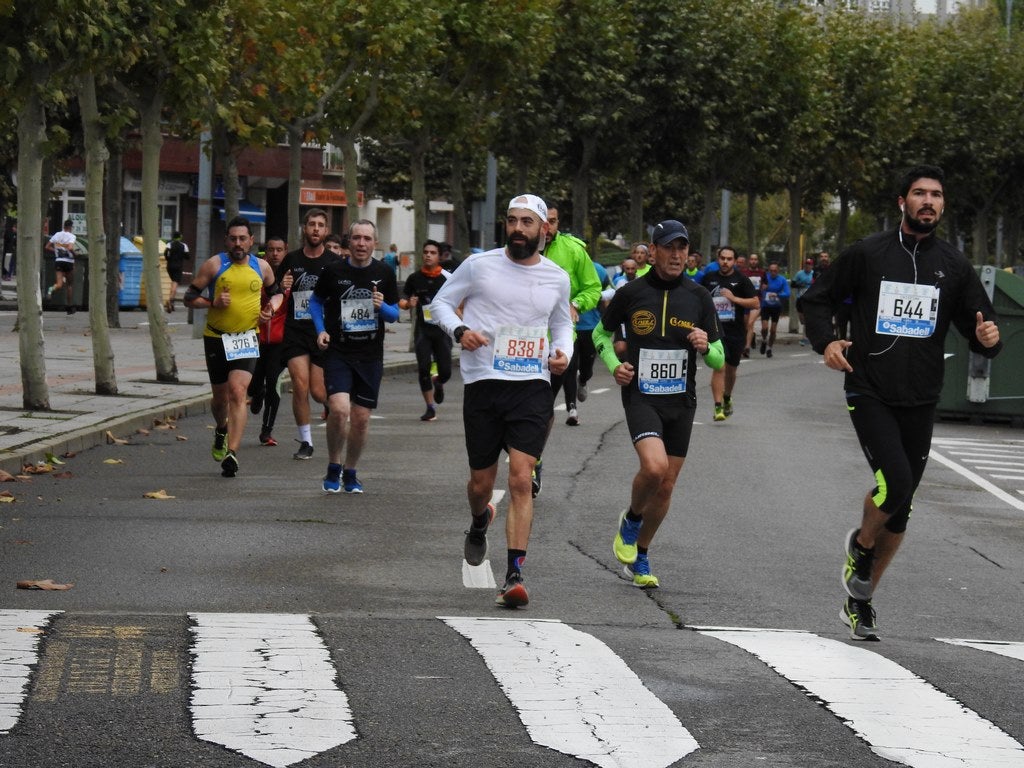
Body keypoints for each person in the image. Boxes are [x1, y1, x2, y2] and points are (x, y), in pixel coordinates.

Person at [801, 164, 1002, 642]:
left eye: (935, 194)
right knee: (895, 483)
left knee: (903, 504)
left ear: (943, 205)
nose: (928, 201)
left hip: (921, 395)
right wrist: (826, 342)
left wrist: (989, 340)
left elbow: (982, 328)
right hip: (868, 387)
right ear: (902, 202)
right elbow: (816, 299)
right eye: (919, 193)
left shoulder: (954, 266)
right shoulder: (868, 253)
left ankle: (861, 599)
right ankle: (862, 548)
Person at [430, 194, 573, 608]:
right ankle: (479, 522)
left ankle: (514, 574)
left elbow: (562, 324)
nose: (518, 229)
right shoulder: (479, 266)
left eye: (527, 222)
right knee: (481, 483)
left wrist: (563, 353)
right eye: (512, 221)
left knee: (520, 476)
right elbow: (440, 302)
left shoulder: (556, 277)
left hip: (531, 381)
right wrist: (459, 331)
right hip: (484, 381)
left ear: (544, 229)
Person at [594, 219, 724, 588]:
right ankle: (632, 520)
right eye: (669, 247)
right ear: (653, 252)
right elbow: (602, 335)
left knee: (666, 486)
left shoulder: (698, 296)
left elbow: (718, 357)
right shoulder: (631, 293)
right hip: (641, 396)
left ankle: (642, 554)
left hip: (681, 401)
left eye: (682, 248)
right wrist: (614, 366)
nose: (677, 254)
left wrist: (705, 346)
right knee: (654, 468)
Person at [183, 217, 283, 477]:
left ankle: (232, 453)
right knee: (219, 399)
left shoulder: (261, 267)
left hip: (247, 338)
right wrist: (212, 302)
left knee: (238, 392)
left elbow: (277, 292)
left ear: (251, 241)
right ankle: (221, 429)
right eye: (233, 238)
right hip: (216, 337)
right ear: (227, 240)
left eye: (243, 239)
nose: (238, 243)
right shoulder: (215, 265)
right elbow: (189, 298)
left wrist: (270, 309)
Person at [310, 219, 399, 494]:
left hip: (370, 355)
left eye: (367, 239)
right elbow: (315, 301)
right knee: (339, 409)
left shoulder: (384, 271)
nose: (361, 244)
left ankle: (351, 471)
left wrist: (381, 306)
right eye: (357, 238)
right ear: (349, 242)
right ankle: (333, 465)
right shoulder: (334, 271)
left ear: (375, 243)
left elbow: (395, 315)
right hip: (339, 351)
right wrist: (321, 330)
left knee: (360, 419)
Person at [276, 208, 340, 460]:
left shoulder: (334, 262)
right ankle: (306, 442)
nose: (315, 228)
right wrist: (282, 288)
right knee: (300, 385)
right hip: (295, 331)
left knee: (318, 391)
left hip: (322, 333)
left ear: (326, 231)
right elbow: (278, 294)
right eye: (311, 224)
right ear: (305, 228)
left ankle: (332, 407)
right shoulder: (291, 260)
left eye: (320, 225)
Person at [540, 204, 601, 432]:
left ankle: (533, 457)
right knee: (522, 405)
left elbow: (593, 288)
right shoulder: (516, 248)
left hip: (559, 338)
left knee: (545, 404)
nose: (546, 227)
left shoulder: (573, 250)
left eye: (552, 221)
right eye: (541, 220)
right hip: (523, 338)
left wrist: (575, 304)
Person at [700, 246, 759, 421]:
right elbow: (699, 300)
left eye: (729, 259)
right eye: (722, 258)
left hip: (735, 331)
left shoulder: (741, 280)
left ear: (734, 261)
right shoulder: (709, 278)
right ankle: (718, 406)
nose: (725, 262)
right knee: (720, 366)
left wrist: (734, 299)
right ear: (718, 259)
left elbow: (755, 303)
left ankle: (727, 396)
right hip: (715, 330)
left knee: (731, 370)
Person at [399, 239, 452, 422]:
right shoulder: (415, 278)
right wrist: (408, 304)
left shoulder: (446, 278)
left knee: (445, 371)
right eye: (426, 252)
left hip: (443, 329)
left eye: (433, 252)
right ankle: (430, 407)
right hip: (423, 330)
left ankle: (439, 382)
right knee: (423, 369)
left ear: (439, 256)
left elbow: (458, 300)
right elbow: (403, 300)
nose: (428, 255)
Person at [248, 236, 290, 446]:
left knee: (273, 383)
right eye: (271, 249)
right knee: (253, 384)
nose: (275, 253)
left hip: (279, 341)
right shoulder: (257, 272)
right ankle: (257, 392)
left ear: (285, 251)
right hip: (256, 337)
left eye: (279, 249)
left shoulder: (292, 274)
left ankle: (267, 431)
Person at [575, 253, 611, 404]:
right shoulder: (562, 266)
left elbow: (611, 291)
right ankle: (572, 407)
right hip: (569, 325)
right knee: (569, 366)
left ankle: (583, 380)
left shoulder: (598, 269)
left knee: (587, 368)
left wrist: (595, 296)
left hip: (590, 325)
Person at [757, 261, 790, 358]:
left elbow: (787, 293)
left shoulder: (782, 280)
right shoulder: (765, 278)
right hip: (765, 306)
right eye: (771, 271)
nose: (773, 273)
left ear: (778, 271)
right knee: (764, 328)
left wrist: (778, 294)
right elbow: (758, 290)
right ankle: (763, 340)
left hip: (776, 307)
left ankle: (769, 348)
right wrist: (762, 288)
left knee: (773, 330)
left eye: (775, 271)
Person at [45, 219, 77, 314]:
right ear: (71, 227)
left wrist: (56, 251)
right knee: (69, 285)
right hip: (68, 262)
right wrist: (75, 254)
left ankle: (51, 289)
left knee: (59, 284)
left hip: (58, 261)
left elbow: (47, 247)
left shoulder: (57, 234)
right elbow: (70, 248)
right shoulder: (72, 236)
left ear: (64, 226)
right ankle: (69, 307)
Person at [742, 252, 765, 358]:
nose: (753, 261)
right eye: (751, 259)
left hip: (756, 301)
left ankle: (746, 348)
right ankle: (752, 336)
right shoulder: (744, 272)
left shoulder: (762, 273)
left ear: (758, 261)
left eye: (755, 259)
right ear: (749, 261)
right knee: (745, 325)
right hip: (746, 301)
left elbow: (765, 284)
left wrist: (764, 287)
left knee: (750, 323)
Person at [791, 257, 816, 345]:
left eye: (809, 265)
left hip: (809, 299)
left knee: (807, 318)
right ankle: (807, 334)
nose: (807, 266)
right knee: (802, 319)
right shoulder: (799, 274)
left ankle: (805, 337)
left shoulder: (814, 273)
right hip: (800, 298)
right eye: (806, 264)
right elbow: (792, 284)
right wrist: (801, 284)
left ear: (812, 266)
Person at [164, 231, 189, 313]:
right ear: (180, 237)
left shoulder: (169, 244)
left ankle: (172, 303)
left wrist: (168, 259)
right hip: (178, 267)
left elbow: (165, 253)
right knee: (175, 284)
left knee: (171, 283)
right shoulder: (183, 245)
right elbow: (187, 256)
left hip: (170, 266)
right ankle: (170, 300)